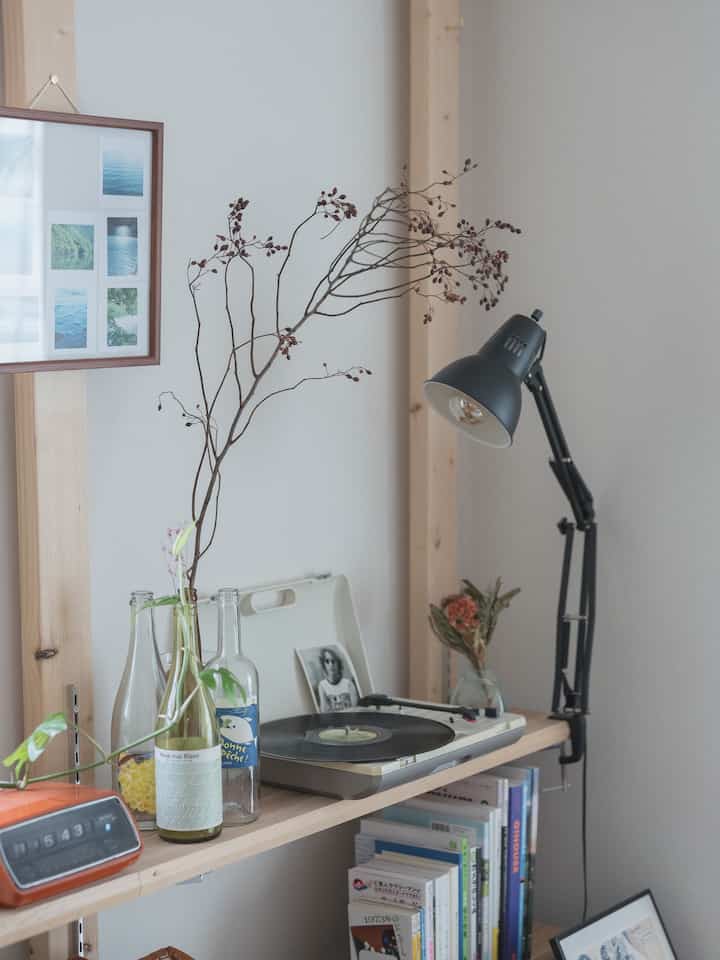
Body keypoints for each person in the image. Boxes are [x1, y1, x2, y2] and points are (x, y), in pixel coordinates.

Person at [317, 647, 359, 711]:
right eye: (327, 661)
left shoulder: (348, 684)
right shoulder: (322, 685)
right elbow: (323, 711)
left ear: (338, 664)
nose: (331, 664)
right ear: (324, 664)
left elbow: (355, 710)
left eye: (333, 661)